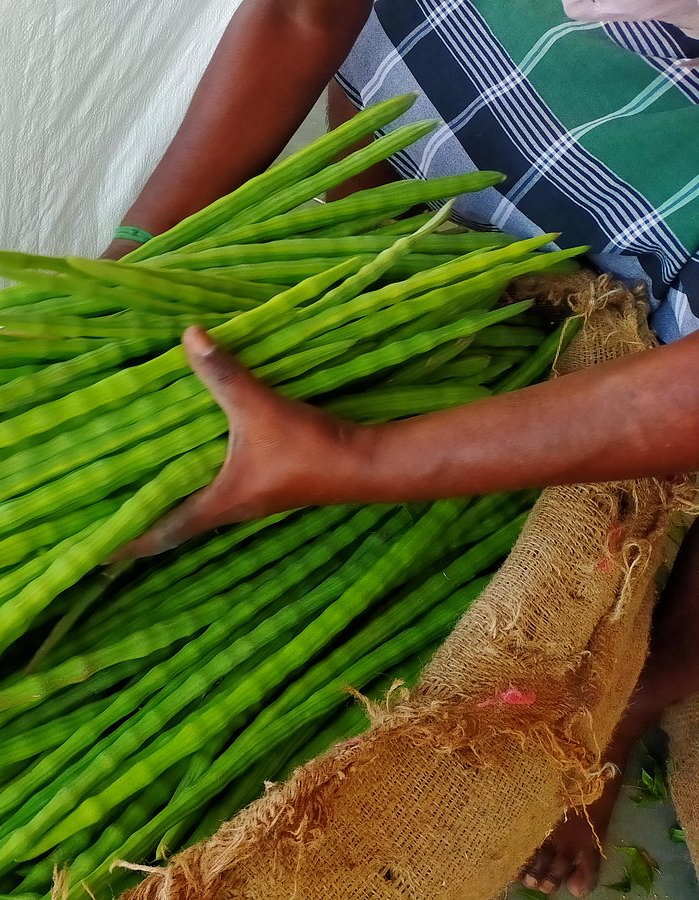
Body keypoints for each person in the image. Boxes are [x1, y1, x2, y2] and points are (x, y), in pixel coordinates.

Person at [108, 1, 699, 896]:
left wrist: (360, 459)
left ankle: (625, 708)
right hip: (441, 92)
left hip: (667, 228)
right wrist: (135, 264)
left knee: (653, 562)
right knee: (362, 330)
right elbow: (304, 12)